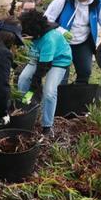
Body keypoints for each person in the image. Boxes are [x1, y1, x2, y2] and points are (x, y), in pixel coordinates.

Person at [18, 9, 73, 137]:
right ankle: (28, 112)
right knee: (23, 79)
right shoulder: (29, 31)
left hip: (59, 60)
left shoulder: (49, 39)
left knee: (49, 92)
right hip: (38, 57)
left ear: (34, 32)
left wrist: (32, 91)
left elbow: (42, 69)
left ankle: (47, 126)